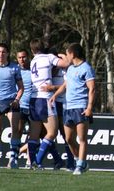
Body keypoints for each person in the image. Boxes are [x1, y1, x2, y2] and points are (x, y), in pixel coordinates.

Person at [50, 43, 95, 175]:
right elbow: (65, 84)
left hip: (81, 107)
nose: (66, 57)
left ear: (73, 54)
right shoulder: (70, 69)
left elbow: (92, 89)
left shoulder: (86, 68)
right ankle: (80, 161)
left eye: (67, 54)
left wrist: (89, 108)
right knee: (69, 139)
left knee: (82, 139)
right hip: (67, 107)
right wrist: (55, 95)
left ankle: (80, 166)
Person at [28, 38, 69, 170]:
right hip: (45, 98)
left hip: (33, 99)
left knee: (34, 135)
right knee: (52, 133)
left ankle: (32, 162)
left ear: (32, 50)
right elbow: (66, 63)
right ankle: (37, 162)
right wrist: (62, 56)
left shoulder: (33, 61)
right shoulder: (49, 57)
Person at [43, 48, 75, 171]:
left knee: (66, 135)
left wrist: (53, 88)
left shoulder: (65, 69)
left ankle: (71, 164)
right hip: (51, 103)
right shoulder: (47, 70)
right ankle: (57, 160)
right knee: (46, 134)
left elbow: (68, 85)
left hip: (64, 104)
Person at [16, 49, 32, 168]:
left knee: (33, 135)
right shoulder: (15, 70)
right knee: (18, 132)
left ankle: (29, 161)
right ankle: (14, 158)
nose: (22, 59)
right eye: (20, 57)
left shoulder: (34, 69)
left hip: (33, 107)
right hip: (20, 106)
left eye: (24, 57)